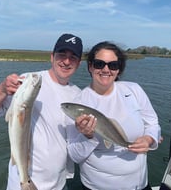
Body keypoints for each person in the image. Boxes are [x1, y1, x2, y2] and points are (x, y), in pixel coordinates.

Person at [0, 33, 83, 190]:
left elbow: (74, 143)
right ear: (52, 57)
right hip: (22, 182)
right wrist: (2, 89)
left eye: (73, 57)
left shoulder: (78, 95)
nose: (66, 61)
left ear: (79, 62)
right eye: (61, 55)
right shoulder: (30, 80)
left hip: (59, 184)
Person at [66, 41, 161, 190]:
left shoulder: (134, 90)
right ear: (90, 66)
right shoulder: (78, 104)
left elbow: (153, 123)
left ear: (118, 70)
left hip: (139, 184)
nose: (106, 69)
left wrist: (149, 139)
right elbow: (74, 156)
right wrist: (87, 137)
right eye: (99, 64)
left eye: (113, 65)